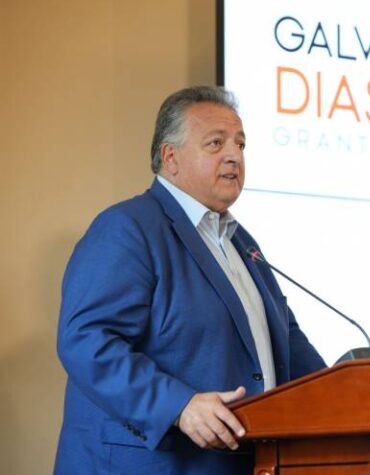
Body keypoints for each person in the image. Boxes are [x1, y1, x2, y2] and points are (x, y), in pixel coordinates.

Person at [54, 86, 327, 475]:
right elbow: (86, 341)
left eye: (240, 144)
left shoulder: (242, 243)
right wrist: (178, 405)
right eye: (216, 143)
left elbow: (287, 343)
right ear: (171, 157)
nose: (234, 155)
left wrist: (352, 394)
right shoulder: (128, 227)